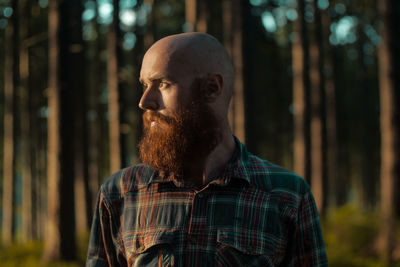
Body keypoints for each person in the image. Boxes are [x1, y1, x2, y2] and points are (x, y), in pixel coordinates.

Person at [86, 32, 328, 267]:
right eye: (145, 84)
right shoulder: (121, 193)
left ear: (212, 88)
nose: (145, 101)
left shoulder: (287, 195)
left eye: (163, 84)